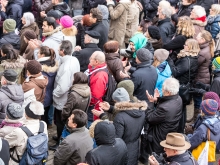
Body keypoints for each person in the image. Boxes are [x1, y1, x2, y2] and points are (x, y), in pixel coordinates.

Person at [92, 88, 147, 165]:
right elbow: (128, 113)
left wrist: (103, 116)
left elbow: (115, 138)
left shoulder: (120, 117)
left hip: (122, 152)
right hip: (135, 148)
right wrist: (111, 108)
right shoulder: (141, 111)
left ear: (118, 102)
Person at [140, 78, 182, 164]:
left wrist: (151, 103)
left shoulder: (165, 108)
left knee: (155, 158)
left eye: (163, 90)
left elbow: (150, 118)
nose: (162, 91)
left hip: (158, 137)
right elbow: (167, 104)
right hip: (169, 132)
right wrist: (158, 100)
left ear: (169, 92)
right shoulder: (178, 99)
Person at [51, 40, 80, 150]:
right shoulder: (73, 59)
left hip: (62, 100)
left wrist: (54, 93)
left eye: (59, 49)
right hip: (66, 97)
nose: (58, 51)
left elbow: (62, 87)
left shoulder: (66, 67)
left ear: (62, 51)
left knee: (60, 122)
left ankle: (60, 143)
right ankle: (59, 137)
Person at [167, 39, 200, 133]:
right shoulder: (193, 58)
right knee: (182, 109)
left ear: (190, 47)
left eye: (185, 45)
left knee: (180, 110)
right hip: (186, 87)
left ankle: (179, 130)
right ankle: (181, 129)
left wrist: (170, 61)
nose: (183, 46)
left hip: (181, 87)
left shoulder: (187, 60)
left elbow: (176, 72)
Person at [191, 30, 214, 122]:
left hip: (200, 79)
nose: (196, 37)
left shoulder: (203, 53)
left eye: (198, 37)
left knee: (197, 101)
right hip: (204, 77)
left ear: (203, 39)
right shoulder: (207, 48)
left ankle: (196, 120)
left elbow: (195, 65)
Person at [188, 99, 220, 165]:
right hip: (210, 155)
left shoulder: (203, 128)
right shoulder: (217, 120)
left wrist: (188, 136)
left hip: (200, 156)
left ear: (203, 110)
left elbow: (191, 143)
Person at [37, 46, 58, 127]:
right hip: (50, 94)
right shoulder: (53, 64)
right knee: (46, 112)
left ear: (42, 55)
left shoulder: (39, 67)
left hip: (42, 96)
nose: (37, 54)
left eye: (38, 53)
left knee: (41, 116)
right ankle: (47, 125)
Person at [87, 51, 108, 125]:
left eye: (91, 58)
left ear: (96, 61)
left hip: (92, 109)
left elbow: (95, 97)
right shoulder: (98, 70)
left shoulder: (99, 76)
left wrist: (85, 102)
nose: (89, 59)